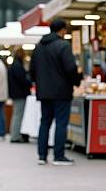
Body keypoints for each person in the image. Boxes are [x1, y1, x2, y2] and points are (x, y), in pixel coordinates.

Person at [30, 18, 80, 165]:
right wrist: (76, 81)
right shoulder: (63, 45)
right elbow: (70, 68)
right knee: (61, 123)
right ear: (62, 30)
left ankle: (42, 155)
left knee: (44, 122)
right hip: (61, 92)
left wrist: (39, 83)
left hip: (44, 92)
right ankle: (58, 156)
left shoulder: (38, 47)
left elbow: (32, 71)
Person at [8, 47, 31, 143]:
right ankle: (15, 136)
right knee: (18, 114)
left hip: (16, 93)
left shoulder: (14, 64)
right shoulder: (17, 65)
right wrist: (28, 82)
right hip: (19, 93)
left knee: (16, 114)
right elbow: (22, 79)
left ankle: (14, 134)